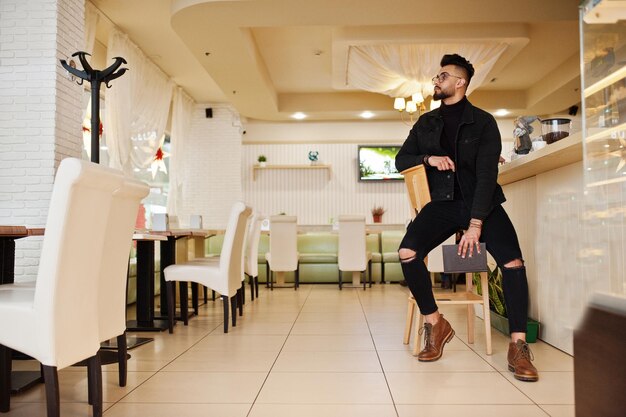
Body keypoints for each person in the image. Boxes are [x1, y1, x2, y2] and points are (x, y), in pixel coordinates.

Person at [395, 53, 538, 382]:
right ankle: (435, 323)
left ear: (461, 82)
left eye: (443, 76)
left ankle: (518, 346)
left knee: (513, 263)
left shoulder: (484, 122)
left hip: (482, 202)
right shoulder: (426, 123)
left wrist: (475, 224)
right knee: (408, 252)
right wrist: (429, 158)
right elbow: (401, 160)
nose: (436, 80)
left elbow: (488, 175)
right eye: (436, 76)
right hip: (442, 203)